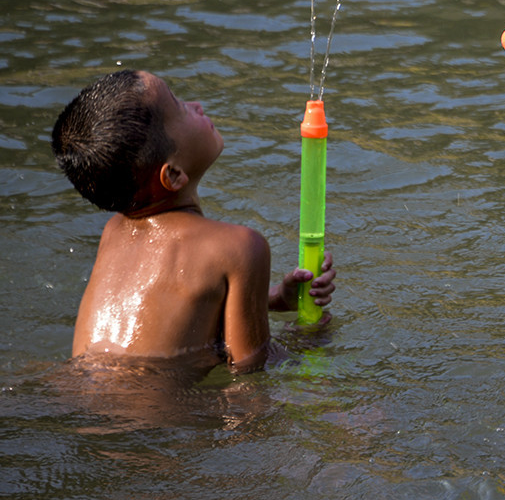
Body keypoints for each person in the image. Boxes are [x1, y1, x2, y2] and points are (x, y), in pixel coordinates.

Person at [51, 69, 336, 376]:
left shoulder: (113, 232)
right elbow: (250, 372)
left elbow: (171, 307)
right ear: (173, 175)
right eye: (181, 107)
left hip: (81, 387)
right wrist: (310, 336)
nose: (198, 104)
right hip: (151, 415)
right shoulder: (240, 248)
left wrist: (274, 299)